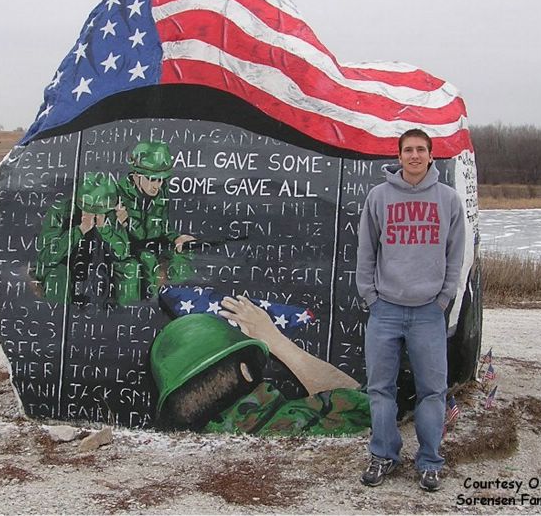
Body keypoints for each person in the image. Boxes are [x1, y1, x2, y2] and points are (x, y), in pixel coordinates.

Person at [355, 128, 465, 492]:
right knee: (380, 389)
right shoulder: (379, 197)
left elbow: (455, 254)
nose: (414, 155)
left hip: (428, 312)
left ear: (431, 156)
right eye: (408, 150)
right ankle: (383, 455)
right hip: (385, 310)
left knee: (432, 391)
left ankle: (430, 461)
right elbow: (367, 250)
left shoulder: (448, 199)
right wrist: (370, 296)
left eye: (421, 149)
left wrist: (443, 299)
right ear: (399, 155)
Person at [150, 296, 371, 436]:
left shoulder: (189, 458)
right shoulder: (305, 422)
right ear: (245, 371)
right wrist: (276, 341)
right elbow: (370, 407)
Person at [114, 141, 196, 300]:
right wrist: (125, 223)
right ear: (137, 175)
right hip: (128, 251)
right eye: (152, 179)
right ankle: (145, 307)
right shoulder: (118, 194)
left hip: (155, 247)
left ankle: (181, 303)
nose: (157, 186)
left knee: (183, 258)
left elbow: (163, 226)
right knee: (142, 265)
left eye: (161, 180)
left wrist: (177, 238)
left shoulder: (161, 191)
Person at [35, 172, 130, 304]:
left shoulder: (111, 212)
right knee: (57, 275)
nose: (96, 214)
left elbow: (123, 253)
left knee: (128, 269)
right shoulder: (60, 211)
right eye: (92, 210)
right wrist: (80, 229)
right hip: (65, 270)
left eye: (101, 210)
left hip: (99, 270)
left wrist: (105, 230)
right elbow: (46, 257)